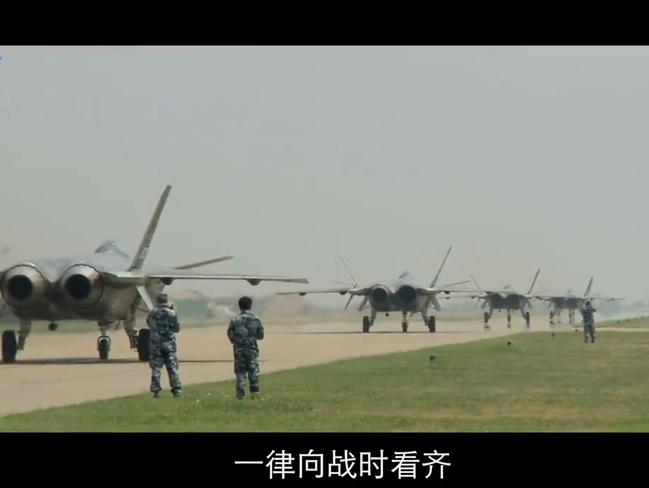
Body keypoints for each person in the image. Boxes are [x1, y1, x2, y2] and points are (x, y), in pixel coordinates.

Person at [227, 296, 264, 399]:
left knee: (240, 372)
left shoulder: (234, 320)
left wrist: (236, 341)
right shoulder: (256, 319)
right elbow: (261, 335)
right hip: (252, 349)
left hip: (239, 350)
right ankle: (255, 394)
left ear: (239, 306)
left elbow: (230, 334)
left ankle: (240, 395)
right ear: (250, 306)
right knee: (253, 371)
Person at [147, 292, 182, 398]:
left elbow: (149, 324)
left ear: (157, 301)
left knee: (156, 368)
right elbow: (176, 328)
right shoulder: (171, 313)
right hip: (168, 344)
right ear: (166, 300)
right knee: (172, 367)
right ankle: (176, 390)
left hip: (155, 344)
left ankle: (156, 391)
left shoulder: (152, 313)